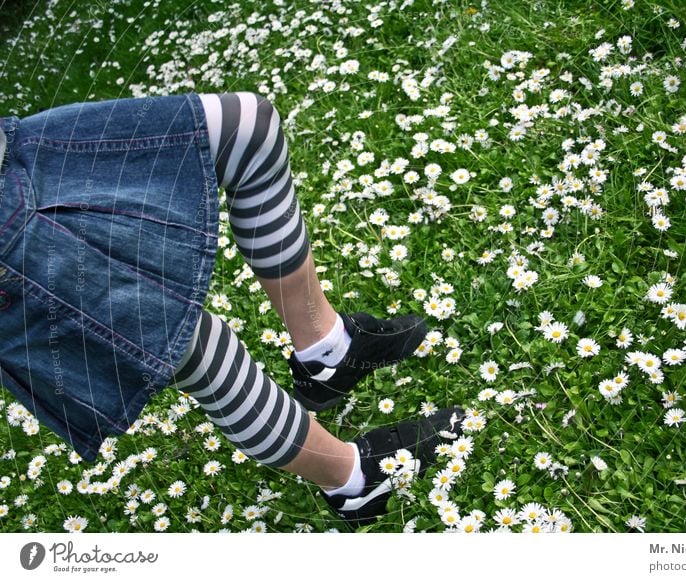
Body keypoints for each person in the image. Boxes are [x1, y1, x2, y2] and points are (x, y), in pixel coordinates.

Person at [0, 91, 464, 528]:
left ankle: (328, 351)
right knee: (184, 340)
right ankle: (354, 482)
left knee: (249, 128)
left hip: (13, 150)